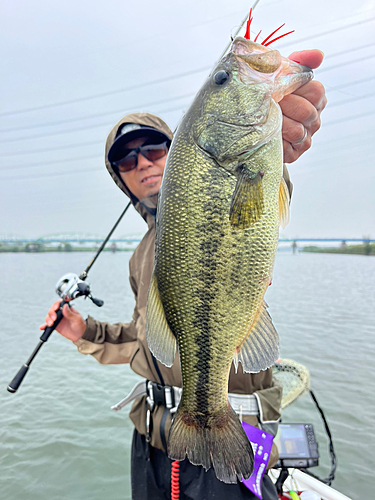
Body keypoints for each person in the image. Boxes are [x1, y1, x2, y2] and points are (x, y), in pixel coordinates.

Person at [41, 50, 327, 500]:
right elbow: (151, 340)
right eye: (127, 160)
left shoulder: (221, 183)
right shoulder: (140, 255)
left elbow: (264, 193)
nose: (143, 163)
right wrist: (85, 331)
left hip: (231, 444)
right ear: (120, 177)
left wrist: (281, 153)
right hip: (157, 441)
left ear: (178, 151)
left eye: (154, 149)